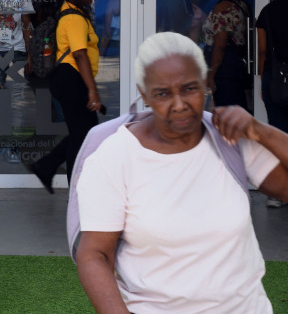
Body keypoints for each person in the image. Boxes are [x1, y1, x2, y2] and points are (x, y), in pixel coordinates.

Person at [75, 31, 288, 313]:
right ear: (145, 95)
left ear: (205, 84)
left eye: (189, 88)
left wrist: (261, 131)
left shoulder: (229, 136)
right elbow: (94, 255)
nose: (179, 104)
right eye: (163, 93)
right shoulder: (114, 156)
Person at [31, 0, 101, 191]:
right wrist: (92, 90)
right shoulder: (73, 17)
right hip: (72, 79)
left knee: (82, 133)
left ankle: (46, 166)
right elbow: (80, 55)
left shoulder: (72, 13)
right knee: (83, 135)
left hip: (69, 79)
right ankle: (75, 190)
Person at [257, 0, 288, 208]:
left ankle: (278, 193)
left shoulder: (268, 11)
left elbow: (262, 51)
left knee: (278, 131)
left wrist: (261, 79)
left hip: (275, 78)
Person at [202, 0, 252, 110]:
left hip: (223, 69)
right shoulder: (242, 5)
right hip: (237, 67)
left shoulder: (223, 7)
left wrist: (211, 73)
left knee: (223, 112)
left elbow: (221, 44)